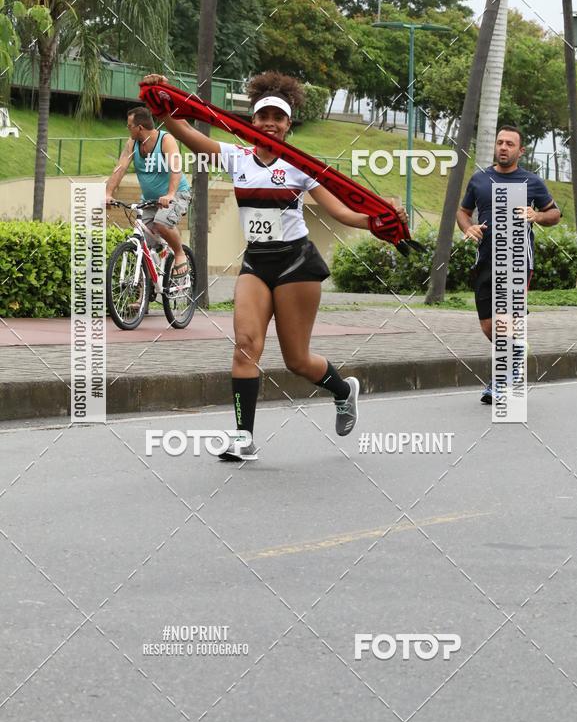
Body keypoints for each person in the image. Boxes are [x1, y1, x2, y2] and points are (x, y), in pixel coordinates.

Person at [141, 70, 408, 461]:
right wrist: (159, 100)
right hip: (256, 264)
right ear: (252, 121)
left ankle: (342, 390)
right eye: (263, 115)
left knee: (297, 361)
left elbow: (340, 211)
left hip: (296, 263)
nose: (270, 122)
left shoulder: (300, 167)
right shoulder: (236, 157)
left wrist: (381, 218)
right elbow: (185, 132)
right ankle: (243, 437)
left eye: (278, 117)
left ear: (288, 125)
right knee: (245, 346)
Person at [457, 125, 561, 404]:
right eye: (500, 143)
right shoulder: (479, 179)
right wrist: (468, 228)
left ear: (520, 150)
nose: (503, 147)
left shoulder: (532, 182)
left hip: (516, 260)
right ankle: (516, 353)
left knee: (504, 323)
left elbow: (555, 213)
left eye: (510, 144)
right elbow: (463, 212)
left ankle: (501, 380)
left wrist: (536, 215)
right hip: (485, 260)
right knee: (488, 326)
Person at [105, 106, 192, 283]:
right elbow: (120, 167)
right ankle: (143, 296)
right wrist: (108, 192)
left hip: (177, 195)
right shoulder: (132, 144)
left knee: (161, 223)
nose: (127, 129)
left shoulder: (165, 140)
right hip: (150, 201)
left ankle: (180, 253)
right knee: (140, 245)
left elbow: (176, 168)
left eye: (129, 126)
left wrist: (170, 194)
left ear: (140, 128)